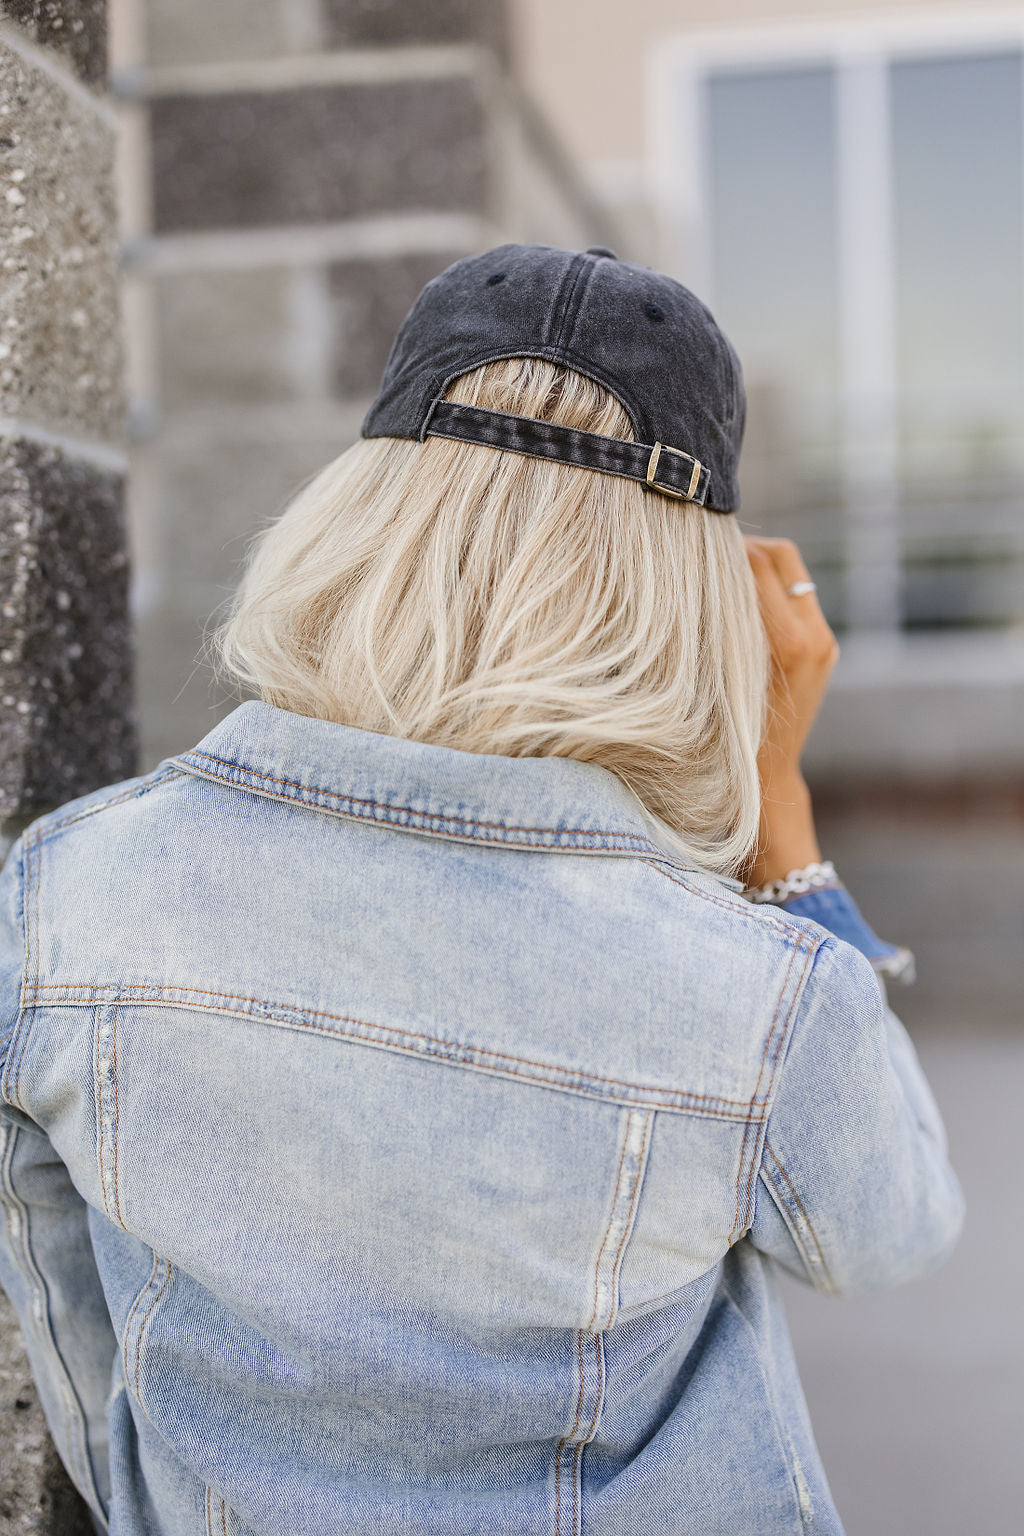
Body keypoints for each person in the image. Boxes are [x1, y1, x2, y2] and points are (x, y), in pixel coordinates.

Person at [0, 244, 962, 1536]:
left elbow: (72, 1319)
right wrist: (783, 832)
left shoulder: (68, 893)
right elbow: (889, 1227)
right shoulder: (752, 996)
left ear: (362, 515)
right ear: (688, 600)